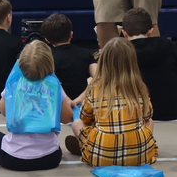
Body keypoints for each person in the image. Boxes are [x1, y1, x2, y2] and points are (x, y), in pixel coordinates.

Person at [0, 40, 74, 170]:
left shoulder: (15, 84)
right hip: (51, 158)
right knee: (51, 144)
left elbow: (2, 109)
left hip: (14, 160)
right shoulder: (54, 86)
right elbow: (66, 117)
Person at [65, 37, 157, 166]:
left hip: (101, 157)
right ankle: (139, 148)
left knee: (77, 123)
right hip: (138, 158)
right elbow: (147, 115)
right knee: (149, 122)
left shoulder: (96, 88)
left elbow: (85, 118)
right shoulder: (139, 87)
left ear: (103, 61)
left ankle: (86, 146)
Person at [121, 7, 177, 121]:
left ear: (124, 33)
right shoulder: (168, 45)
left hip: (137, 112)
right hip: (174, 110)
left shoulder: (122, 53)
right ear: (151, 31)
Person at [40, 12, 96, 107]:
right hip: (82, 106)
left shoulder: (46, 58)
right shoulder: (86, 54)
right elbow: (100, 78)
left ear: (47, 40)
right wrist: (78, 99)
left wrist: (66, 100)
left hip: (55, 107)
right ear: (71, 34)